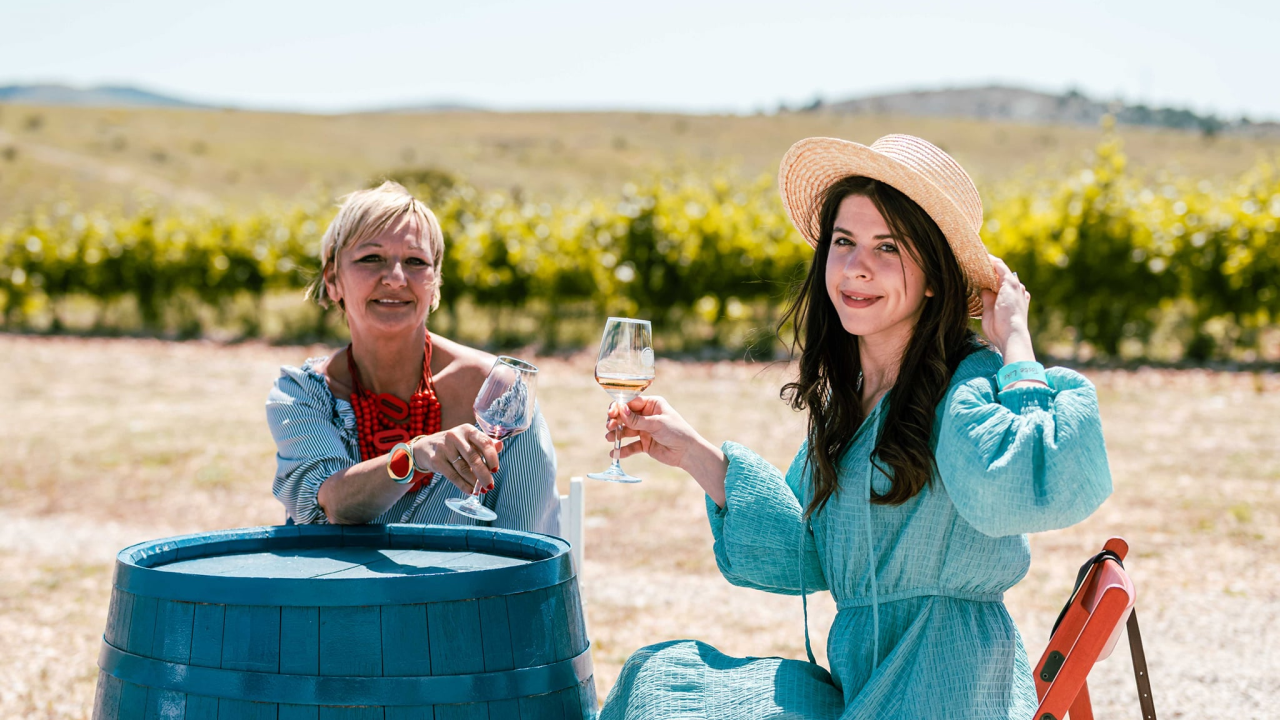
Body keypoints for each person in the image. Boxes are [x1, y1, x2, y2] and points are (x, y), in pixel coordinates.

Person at [597, 136, 1112, 719]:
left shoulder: (966, 380)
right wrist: (694, 453)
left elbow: (1022, 491)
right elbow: (807, 556)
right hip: (862, 679)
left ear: (936, 276)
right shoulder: (851, 396)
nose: (856, 266)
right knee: (660, 680)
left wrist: (1016, 345)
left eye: (888, 247)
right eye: (844, 242)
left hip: (945, 686)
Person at [266, 181, 559, 534]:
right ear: (333, 280)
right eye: (371, 258)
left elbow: (529, 547)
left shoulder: (501, 393)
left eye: (416, 261)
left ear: (435, 284)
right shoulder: (303, 393)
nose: (394, 278)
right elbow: (332, 506)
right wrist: (415, 455)